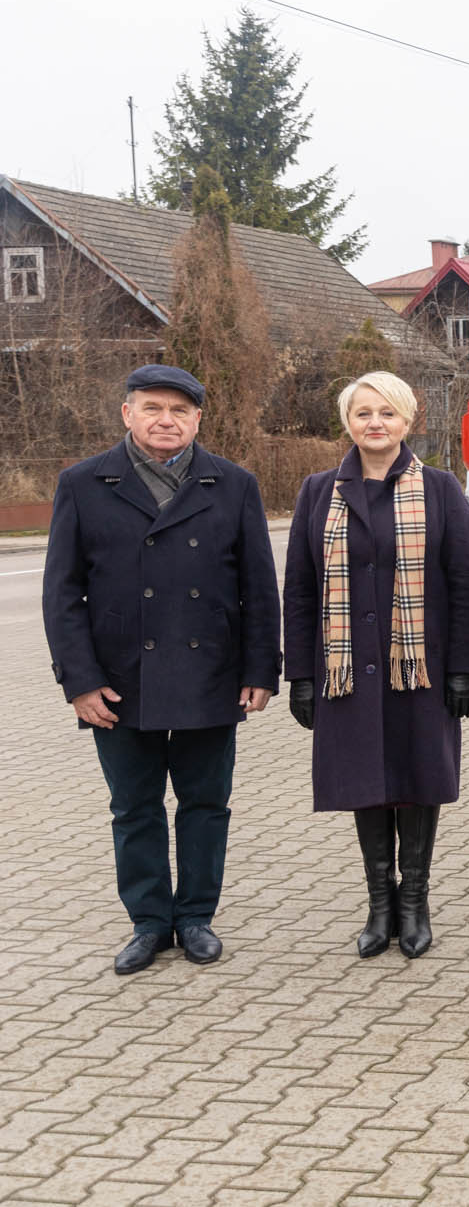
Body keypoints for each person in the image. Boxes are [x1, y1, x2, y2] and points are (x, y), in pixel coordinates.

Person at [42, 364, 279, 974]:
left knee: (206, 803)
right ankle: (149, 923)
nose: (165, 420)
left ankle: (196, 917)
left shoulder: (233, 484)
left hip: (212, 674)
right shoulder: (83, 483)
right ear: (128, 414)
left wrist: (260, 669)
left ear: (198, 419)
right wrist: (80, 681)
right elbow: (63, 594)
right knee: (134, 807)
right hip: (119, 680)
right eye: (153, 408)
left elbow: (259, 587)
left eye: (179, 410)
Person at [282, 371, 469, 960]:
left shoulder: (441, 489)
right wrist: (301, 676)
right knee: (364, 779)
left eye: (387, 412)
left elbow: (466, 584)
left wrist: (464, 668)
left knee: (418, 777)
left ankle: (414, 901)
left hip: (418, 669)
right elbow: (300, 589)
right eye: (363, 413)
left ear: (408, 419)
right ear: (348, 421)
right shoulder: (318, 491)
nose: (376, 423)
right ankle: (380, 904)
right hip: (346, 669)